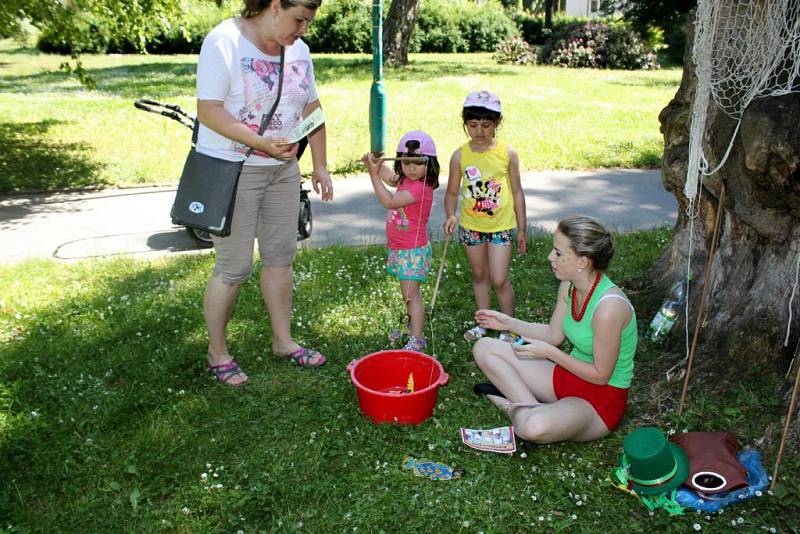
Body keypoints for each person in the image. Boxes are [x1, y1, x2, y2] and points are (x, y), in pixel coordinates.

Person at [196, 0, 334, 386]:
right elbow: (209, 110)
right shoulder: (224, 42)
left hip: (282, 171)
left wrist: (319, 164)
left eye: (307, 22)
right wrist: (259, 141)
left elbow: (313, 109)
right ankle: (217, 352)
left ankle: (283, 341)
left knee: (280, 258)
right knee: (233, 266)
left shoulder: (300, 52)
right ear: (275, 6)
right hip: (233, 170)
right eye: (299, 20)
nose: (303, 30)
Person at [472, 215, 637, 444]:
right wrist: (509, 323)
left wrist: (550, 354)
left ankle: (511, 406)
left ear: (582, 261)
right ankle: (533, 407)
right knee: (484, 347)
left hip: (599, 400)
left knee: (533, 427)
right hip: (567, 377)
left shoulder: (609, 308)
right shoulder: (568, 286)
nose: (551, 257)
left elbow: (600, 376)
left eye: (558, 253)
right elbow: (553, 334)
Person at [443, 90, 527, 343]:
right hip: (471, 227)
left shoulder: (507, 154)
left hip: (500, 226)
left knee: (499, 278)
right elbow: (450, 192)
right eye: (473, 125)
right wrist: (450, 214)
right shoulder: (460, 155)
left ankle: (507, 328)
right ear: (465, 123)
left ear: (497, 123)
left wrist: (521, 228)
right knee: (479, 275)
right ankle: (483, 324)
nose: (479, 131)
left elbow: (517, 192)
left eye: (486, 125)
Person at [361, 131, 440, 352]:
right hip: (402, 249)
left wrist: (372, 175)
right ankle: (412, 328)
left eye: (417, 163)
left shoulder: (420, 187)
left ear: (429, 164)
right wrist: (375, 164)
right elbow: (389, 177)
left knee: (411, 296)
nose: (411, 168)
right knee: (407, 295)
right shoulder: (406, 179)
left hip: (412, 251)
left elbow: (389, 200)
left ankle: (417, 339)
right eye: (405, 162)